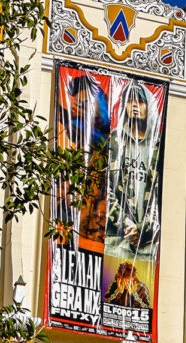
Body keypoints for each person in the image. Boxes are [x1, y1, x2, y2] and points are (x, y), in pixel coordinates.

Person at [105, 80, 162, 259]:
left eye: (140, 101)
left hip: (148, 247)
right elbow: (107, 188)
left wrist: (143, 229)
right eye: (130, 101)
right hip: (116, 242)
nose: (135, 106)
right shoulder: (115, 140)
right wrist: (126, 223)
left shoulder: (159, 147)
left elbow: (162, 196)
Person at [57, 72, 109, 245]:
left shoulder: (105, 140)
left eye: (86, 102)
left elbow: (95, 131)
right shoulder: (74, 136)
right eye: (76, 101)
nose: (78, 105)